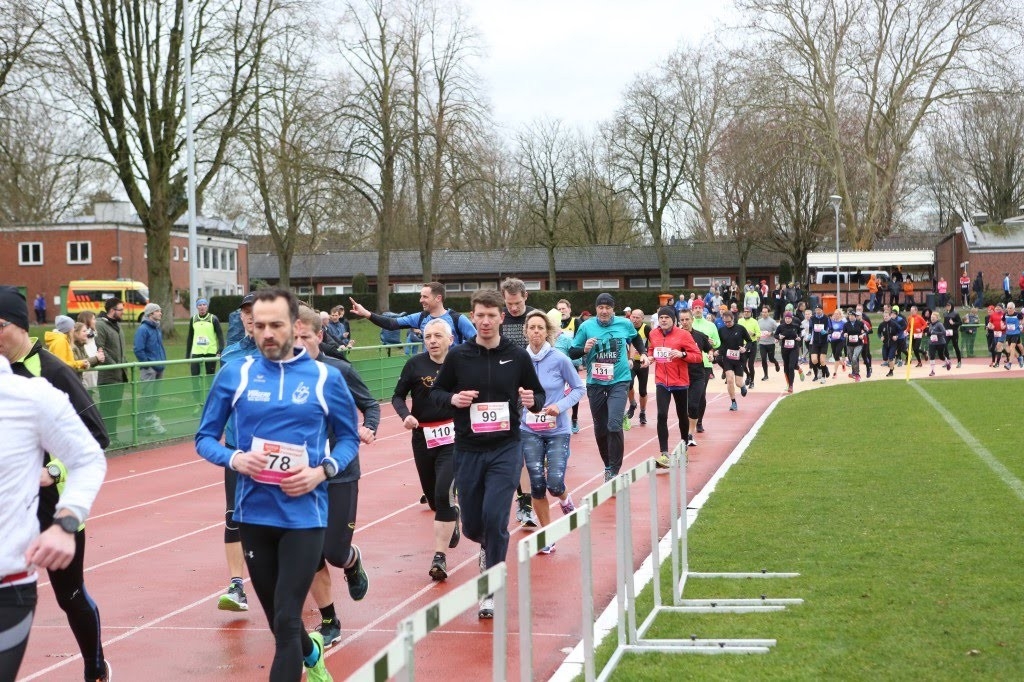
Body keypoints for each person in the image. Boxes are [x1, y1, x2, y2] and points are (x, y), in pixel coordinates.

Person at [196, 287, 360, 682]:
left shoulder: (326, 378)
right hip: (254, 515)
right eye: (260, 326)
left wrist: (323, 470)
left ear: (296, 326)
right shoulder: (235, 374)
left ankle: (304, 651)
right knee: (279, 623)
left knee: (286, 621)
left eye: (276, 325)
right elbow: (204, 438)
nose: (267, 333)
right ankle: (312, 649)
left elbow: (349, 439)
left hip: (305, 516)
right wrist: (235, 458)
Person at [0, 287, 113, 682]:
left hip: (55, 508)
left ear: (10, 327)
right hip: (10, 510)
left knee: (70, 596)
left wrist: (54, 471)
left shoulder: (51, 372)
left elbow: (97, 438)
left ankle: (95, 667)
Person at [429, 288, 545, 619]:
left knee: (496, 518)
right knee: (474, 526)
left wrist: (531, 400)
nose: (485, 321)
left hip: (506, 448)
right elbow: (436, 392)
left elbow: (537, 392)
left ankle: (490, 588)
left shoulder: (517, 356)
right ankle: (485, 545)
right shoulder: (459, 356)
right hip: (468, 449)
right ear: (473, 317)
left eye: (491, 315)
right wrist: (453, 400)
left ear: (501, 318)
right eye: (479, 315)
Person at [290, 306, 378, 647]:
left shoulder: (338, 371)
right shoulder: (279, 376)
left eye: (305, 337)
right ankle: (330, 621)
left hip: (339, 474)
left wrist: (368, 427)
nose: (298, 344)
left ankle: (351, 560)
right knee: (310, 553)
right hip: (299, 477)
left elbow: (369, 404)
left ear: (320, 336)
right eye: (292, 337)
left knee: (334, 551)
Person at [392, 318, 461, 581]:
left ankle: (439, 557)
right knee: (434, 500)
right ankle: (451, 514)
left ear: (450, 339)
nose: (432, 340)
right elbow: (397, 396)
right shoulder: (415, 365)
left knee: (443, 492)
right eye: (428, 336)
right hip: (423, 436)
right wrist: (405, 416)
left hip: (453, 436)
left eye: (437, 336)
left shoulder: (460, 364)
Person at [520, 310, 585, 553]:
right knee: (537, 485)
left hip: (557, 429)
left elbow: (579, 388)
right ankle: (547, 536)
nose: (536, 332)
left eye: (540, 328)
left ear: (547, 332)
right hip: (528, 428)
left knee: (555, 483)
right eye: (532, 327)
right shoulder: (519, 360)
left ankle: (566, 501)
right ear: (525, 331)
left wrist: (559, 406)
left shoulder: (560, 359)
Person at [569, 293, 648, 481]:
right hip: (595, 383)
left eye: (608, 307)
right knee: (601, 428)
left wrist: (643, 353)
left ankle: (614, 469)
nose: (604, 311)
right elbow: (572, 352)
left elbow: (636, 338)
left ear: (613, 309)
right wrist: (584, 349)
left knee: (613, 424)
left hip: (619, 381)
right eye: (600, 307)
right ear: (596, 309)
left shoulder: (624, 324)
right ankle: (607, 465)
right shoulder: (586, 326)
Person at [214, 292, 257, 612]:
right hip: (237, 450)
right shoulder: (229, 354)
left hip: (277, 449)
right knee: (234, 516)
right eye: (245, 312)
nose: (250, 317)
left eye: (255, 310)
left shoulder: (285, 352)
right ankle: (237, 585)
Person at [497, 278, 541, 527]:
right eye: (508, 303)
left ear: (525, 296)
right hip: (505, 392)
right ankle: (523, 502)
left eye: (516, 303)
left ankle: (526, 501)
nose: (512, 308)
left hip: (532, 388)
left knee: (527, 448)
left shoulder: (537, 319)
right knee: (516, 450)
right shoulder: (499, 319)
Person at [646, 306, 700, 463]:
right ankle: (664, 453)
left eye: (666, 317)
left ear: (673, 320)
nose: (663, 320)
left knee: (682, 416)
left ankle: (684, 448)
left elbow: (697, 356)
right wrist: (650, 358)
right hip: (662, 381)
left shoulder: (683, 335)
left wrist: (682, 354)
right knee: (661, 415)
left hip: (680, 382)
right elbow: (651, 349)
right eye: (661, 317)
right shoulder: (653, 334)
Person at [349, 282, 477, 346]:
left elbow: (478, 342)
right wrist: (366, 313)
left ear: (438, 298)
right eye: (421, 296)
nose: (421, 300)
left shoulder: (458, 319)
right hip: (429, 373)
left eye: (425, 297)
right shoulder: (420, 317)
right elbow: (391, 324)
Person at [679, 308, 717, 444]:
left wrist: (711, 354)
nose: (685, 322)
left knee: (694, 405)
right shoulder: (675, 336)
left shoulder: (700, 336)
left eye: (687, 319)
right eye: (682, 320)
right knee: (684, 407)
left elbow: (709, 349)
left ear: (692, 320)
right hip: (681, 376)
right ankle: (685, 431)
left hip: (698, 375)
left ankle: (690, 434)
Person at [94, 297, 128, 440]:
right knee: (107, 407)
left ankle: (113, 436)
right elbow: (100, 347)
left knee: (115, 406)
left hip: (119, 375)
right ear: (112, 310)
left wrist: (123, 365)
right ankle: (105, 437)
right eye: (120, 310)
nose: (123, 313)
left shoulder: (117, 325)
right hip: (108, 375)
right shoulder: (101, 325)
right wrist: (114, 365)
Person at [134, 302, 167, 435]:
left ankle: (151, 420)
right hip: (149, 369)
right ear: (151, 313)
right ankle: (141, 424)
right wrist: (147, 364)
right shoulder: (143, 329)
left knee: (155, 397)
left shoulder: (156, 328)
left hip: (159, 367)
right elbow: (138, 349)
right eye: (158, 311)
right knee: (146, 397)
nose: (160, 313)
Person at [186, 297, 225, 409]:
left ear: (207, 306)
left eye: (204, 305)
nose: (202, 307)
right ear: (197, 307)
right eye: (200, 305)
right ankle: (198, 404)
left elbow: (220, 336)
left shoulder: (213, 319)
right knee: (195, 380)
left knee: (210, 379)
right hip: (196, 353)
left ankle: (211, 403)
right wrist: (187, 354)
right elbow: (190, 337)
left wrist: (220, 350)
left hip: (210, 353)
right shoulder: (193, 319)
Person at [555, 299, 583, 433]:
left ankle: (574, 419)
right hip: (557, 365)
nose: (561, 311)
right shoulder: (554, 323)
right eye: (559, 309)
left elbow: (579, 343)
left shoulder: (575, 322)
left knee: (573, 391)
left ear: (569, 309)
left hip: (572, 361)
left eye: (563, 309)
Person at [716, 311, 753, 411]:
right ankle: (733, 402)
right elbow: (721, 344)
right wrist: (717, 351)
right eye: (725, 322)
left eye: (729, 322)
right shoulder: (721, 330)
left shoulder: (740, 329)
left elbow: (750, 341)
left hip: (739, 359)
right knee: (730, 380)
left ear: (733, 319)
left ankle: (743, 386)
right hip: (727, 358)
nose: (727, 324)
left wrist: (745, 348)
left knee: (738, 383)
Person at [626, 308, 650, 426]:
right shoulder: (626, 327)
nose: (634, 320)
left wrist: (647, 355)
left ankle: (643, 412)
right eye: (633, 317)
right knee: (628, 384)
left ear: (642, 318)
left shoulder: (646, 328)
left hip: (642, 364)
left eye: (637, 317)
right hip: (630, 362)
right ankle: (632, 403)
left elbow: (654, 342)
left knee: (643, 391)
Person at [775, 310, 804, 393]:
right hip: (784, 349)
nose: (788, 320)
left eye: (789, 318)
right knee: (786, 367)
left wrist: (799, 338)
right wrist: (779, 337)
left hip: (794, 349)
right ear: (784, 318)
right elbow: (776, 335)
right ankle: (798, 370)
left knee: (791, 366)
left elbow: (800, 333)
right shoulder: (781, 327)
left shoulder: (795, 326)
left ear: (792, 318)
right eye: (786, 318)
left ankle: (791, 385)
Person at [807, 304, 831, 382]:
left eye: (819, 310)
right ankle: (821, 368)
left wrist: (826, 332)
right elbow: (810, 328)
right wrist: (810, 335)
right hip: (815, 342)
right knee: (814, 360)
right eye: (816, 310)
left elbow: (831, 329)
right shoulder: (812, 318)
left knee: (822, 360)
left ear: (822, 310)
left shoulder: (826, 318)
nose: (817, 311)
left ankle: (823, 377)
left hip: (824, 342)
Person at [843, 309, 867, 381]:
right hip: (849, 345)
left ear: (855, 316)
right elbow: (844, 332)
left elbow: (867, 330)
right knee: (851, 359)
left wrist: (863, 335)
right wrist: (845, 334)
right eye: (849, 316)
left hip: (858, 344)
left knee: (854, 358)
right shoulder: (846, 324)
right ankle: (854, 372)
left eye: (852, 316)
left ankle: (857, 374)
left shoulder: (860, 323)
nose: (850, 317)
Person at [943, 302, 963, 368]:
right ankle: (948, 361)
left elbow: (960, 323)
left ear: (952, 306)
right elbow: (945, 323)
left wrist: (953, 323)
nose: (947, 307)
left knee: (955, 346)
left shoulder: (956, 314)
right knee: (944, 345)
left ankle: (959, 362)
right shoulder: (945, 313)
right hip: (947, 332)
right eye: (946, 305)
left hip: (954, 333)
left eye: (949, 305)